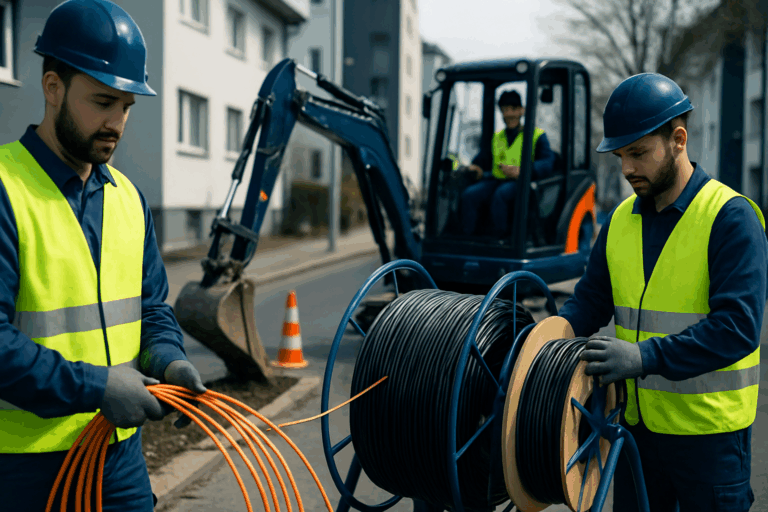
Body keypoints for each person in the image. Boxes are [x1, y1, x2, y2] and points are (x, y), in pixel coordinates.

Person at [0, 1, 207, 510]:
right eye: (102, 101)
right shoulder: (5, 189)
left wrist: (170, 360)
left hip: (118, 462)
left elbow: (151, 310)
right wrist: (95, 387)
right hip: (24, 469)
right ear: (53, 88)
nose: (116, 122)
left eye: (127, 106)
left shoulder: (129, 199)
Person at [558, 72, 766, 511]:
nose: (627, 169)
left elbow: (737, 329)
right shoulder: (620, 221)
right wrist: (543, 342)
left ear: (678, 140)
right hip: (637, 434)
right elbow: (589, 302)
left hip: (709, 441)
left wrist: (643, 357)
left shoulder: (731, 219)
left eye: (638, 153)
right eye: (620, 156)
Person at [460, 90, 556, 236]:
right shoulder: (497, 137)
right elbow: (483, 159)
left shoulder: (537, 136)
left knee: (501, 195)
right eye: (505, 109)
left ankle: (501, 238)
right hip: (496, 180)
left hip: (523, 183)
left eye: (513, 109)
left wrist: (523, 170)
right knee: (469, 195)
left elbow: (548, 163)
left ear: (522, 110)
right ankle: (468, 237)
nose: (509, 114)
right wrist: (475, 168)